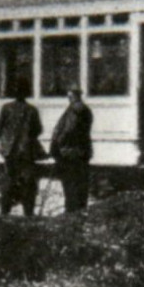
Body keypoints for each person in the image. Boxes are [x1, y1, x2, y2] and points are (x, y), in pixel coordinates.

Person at [0, 83, 43, 217]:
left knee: (9, 180)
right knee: (27, 182)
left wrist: (5, 140)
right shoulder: (32, 110)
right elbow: (38, 130)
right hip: (26, 151)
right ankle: (28, 212)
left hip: (9, 151)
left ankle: (5, 211)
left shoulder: (6, 108)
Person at [49, 86, 94, 214]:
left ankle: (71, 212)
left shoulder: (75, 110)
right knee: (80, 185)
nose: (68, 98)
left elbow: (69, 130)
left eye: (69, 96)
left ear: (74, 95)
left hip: (70, 153)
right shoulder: (85, 110)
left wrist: (56, 144)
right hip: (82, 151)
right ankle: (79, 211)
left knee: (70, 185)